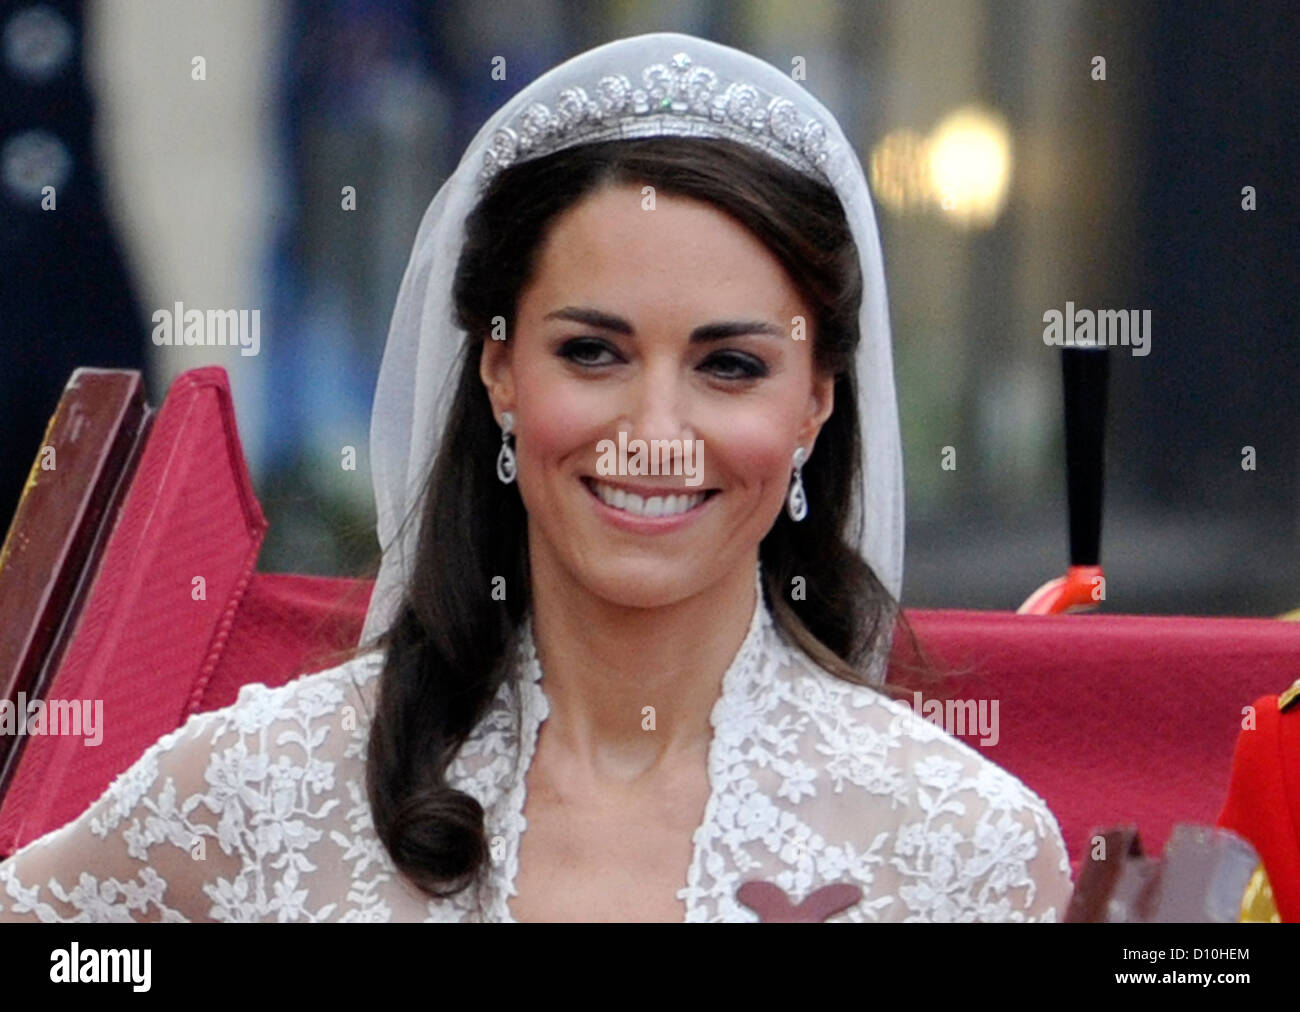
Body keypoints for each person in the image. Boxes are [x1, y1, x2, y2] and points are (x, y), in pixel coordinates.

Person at [0, 31, 1073, 922]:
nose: (655, 430)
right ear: (501, 371)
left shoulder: (963, 850)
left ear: (816, 401)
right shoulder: (260, 786)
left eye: (730, 366)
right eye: (592, 352)